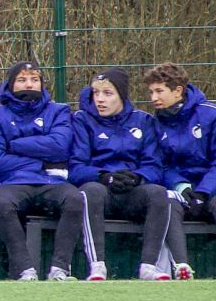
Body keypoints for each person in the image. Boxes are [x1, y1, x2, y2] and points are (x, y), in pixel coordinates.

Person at [0, 62, 85, 281]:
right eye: (22, 79)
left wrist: (15, 144)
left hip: (52, 181)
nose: (29, 84)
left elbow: (60, 146)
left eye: (34, 79)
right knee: (3, 203)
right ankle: (24, 270)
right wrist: (41, 161)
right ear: (10, 85)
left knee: (75, 199)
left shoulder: (59, 111)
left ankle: (60, 268)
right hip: (13, 182)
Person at [143, 63, 216, 280]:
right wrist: (181, 186)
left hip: (212, 189)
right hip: (181, 189)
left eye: (159, 91)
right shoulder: (153, 123)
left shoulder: (215, 115)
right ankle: (181, 266)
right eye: (151, 92)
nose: (153, 97)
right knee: (168, 203)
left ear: (178, 90)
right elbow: (160, 164)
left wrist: (204, 191)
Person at [69, 68, 171, 281]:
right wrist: (104, 176)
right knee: (90, 191)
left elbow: (154, 166)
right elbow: (76, 167)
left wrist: (137, 177)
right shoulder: (82, 120)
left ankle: (148, 267)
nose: (100, 99)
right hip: (102, 190)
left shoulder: (144, 121)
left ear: (122, 95)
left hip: (133, 190)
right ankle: (97, 267)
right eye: (96, 93)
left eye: (107, 93)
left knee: (158, 193)